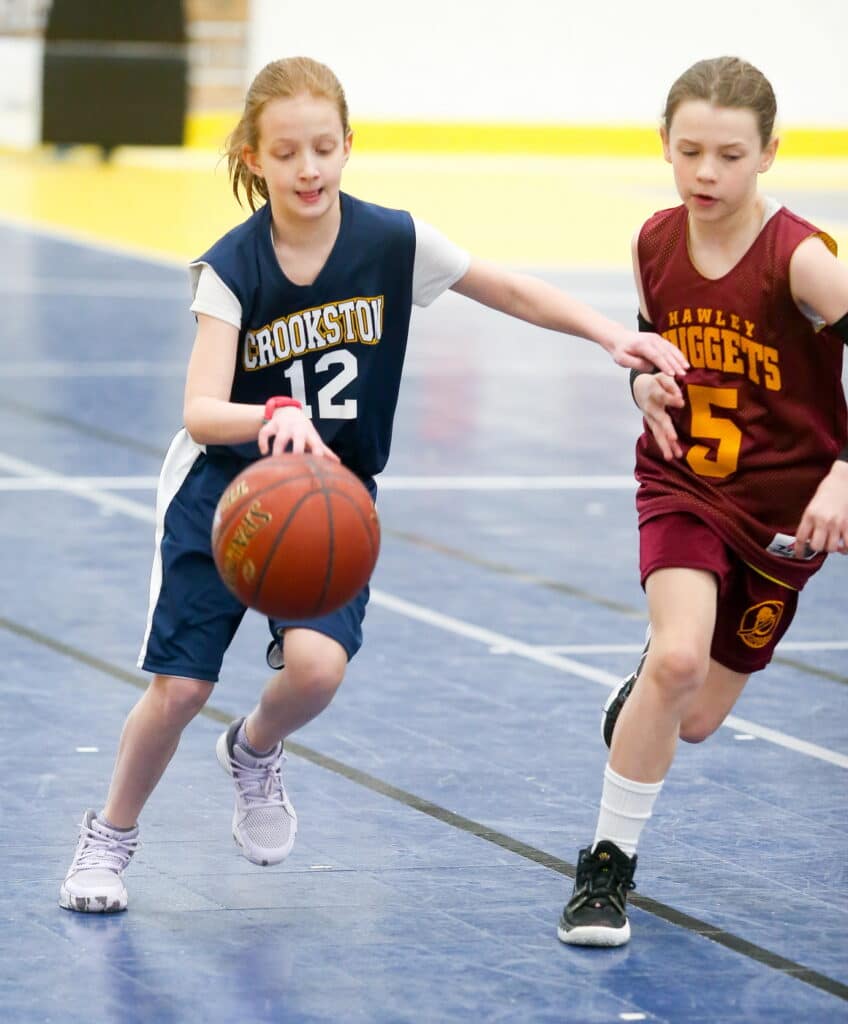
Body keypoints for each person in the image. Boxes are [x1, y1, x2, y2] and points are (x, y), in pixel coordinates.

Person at [59, 55, 687, 913]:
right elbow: (203, 410)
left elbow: (504, 288)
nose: (308, 168)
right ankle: (110, 836)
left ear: (349, 146)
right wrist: (270, 410)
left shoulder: (391, 240)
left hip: (328, 495)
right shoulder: (231, 267)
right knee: (180, 690)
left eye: (323, 147)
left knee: (317, 671)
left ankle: (252, 751)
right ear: (253, 158)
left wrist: (609, 335)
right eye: (286, 153)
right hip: (223, 496)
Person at [557, 55, 848, 948]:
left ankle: (647, 690)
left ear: (768, 154)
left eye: (728, 155)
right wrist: (640, 391)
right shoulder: (653, 242)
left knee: (695, 719)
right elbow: (655, 351)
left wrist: (845, 473)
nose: (706, 174)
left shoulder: (801, 260)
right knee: (679, 660)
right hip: (684, 481)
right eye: (689, 152)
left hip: (785, 511)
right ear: (666, 146)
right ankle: (605, 867)